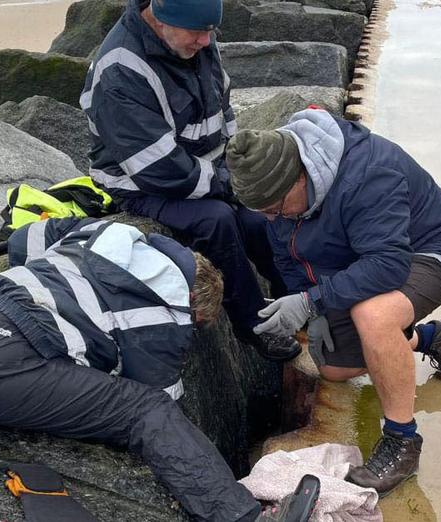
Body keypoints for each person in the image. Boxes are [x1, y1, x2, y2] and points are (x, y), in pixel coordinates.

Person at [0, 217, 311, 521]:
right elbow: (156, 405)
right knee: (146, 411)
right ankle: (240, 516)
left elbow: (27, 236)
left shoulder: (100, 234)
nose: (191, 331)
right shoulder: (169, 311)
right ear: (194, 301)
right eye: (198, 323)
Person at [224, 107, 441, 497]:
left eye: (276, 207)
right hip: (368, 256)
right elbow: (290, 256)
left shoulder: (366, 175)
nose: (273, 218)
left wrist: (312, 302)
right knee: (337, 369)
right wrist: (307, 305)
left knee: (373, 316)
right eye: (264, 213)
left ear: (302, 175)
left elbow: (387, 266)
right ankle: (434, 338)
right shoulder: (284, 195)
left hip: (434, 250)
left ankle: (402, 441)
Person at [80, 0, 300, 361]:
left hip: (206, 168)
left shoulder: (194, 37)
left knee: (262, 221)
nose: (205, 41)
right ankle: (254, 326)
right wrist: (229, 186)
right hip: (140, 184)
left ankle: (297, 300)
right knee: (218, 221)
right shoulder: (120, 68)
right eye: (197, 33)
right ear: (160, 17)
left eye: (210, 31)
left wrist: (238, 166)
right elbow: (159, 168)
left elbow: (222, 106)